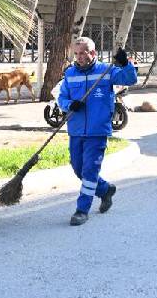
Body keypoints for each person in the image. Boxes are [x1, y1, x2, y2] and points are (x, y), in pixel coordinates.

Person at [55, 37, 137, 226]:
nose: (79, 57)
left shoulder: (106, 72)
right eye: (76, 53)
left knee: (90, 170)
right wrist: (69, 105)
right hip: (76, 130)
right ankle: (105, 189)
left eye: (83, 53)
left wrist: (125, 63)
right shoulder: (70, 74)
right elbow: (61, 98)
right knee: (78, 168)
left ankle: (82, 210)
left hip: (97, 131)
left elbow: (130, 79)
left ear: (93, 53)